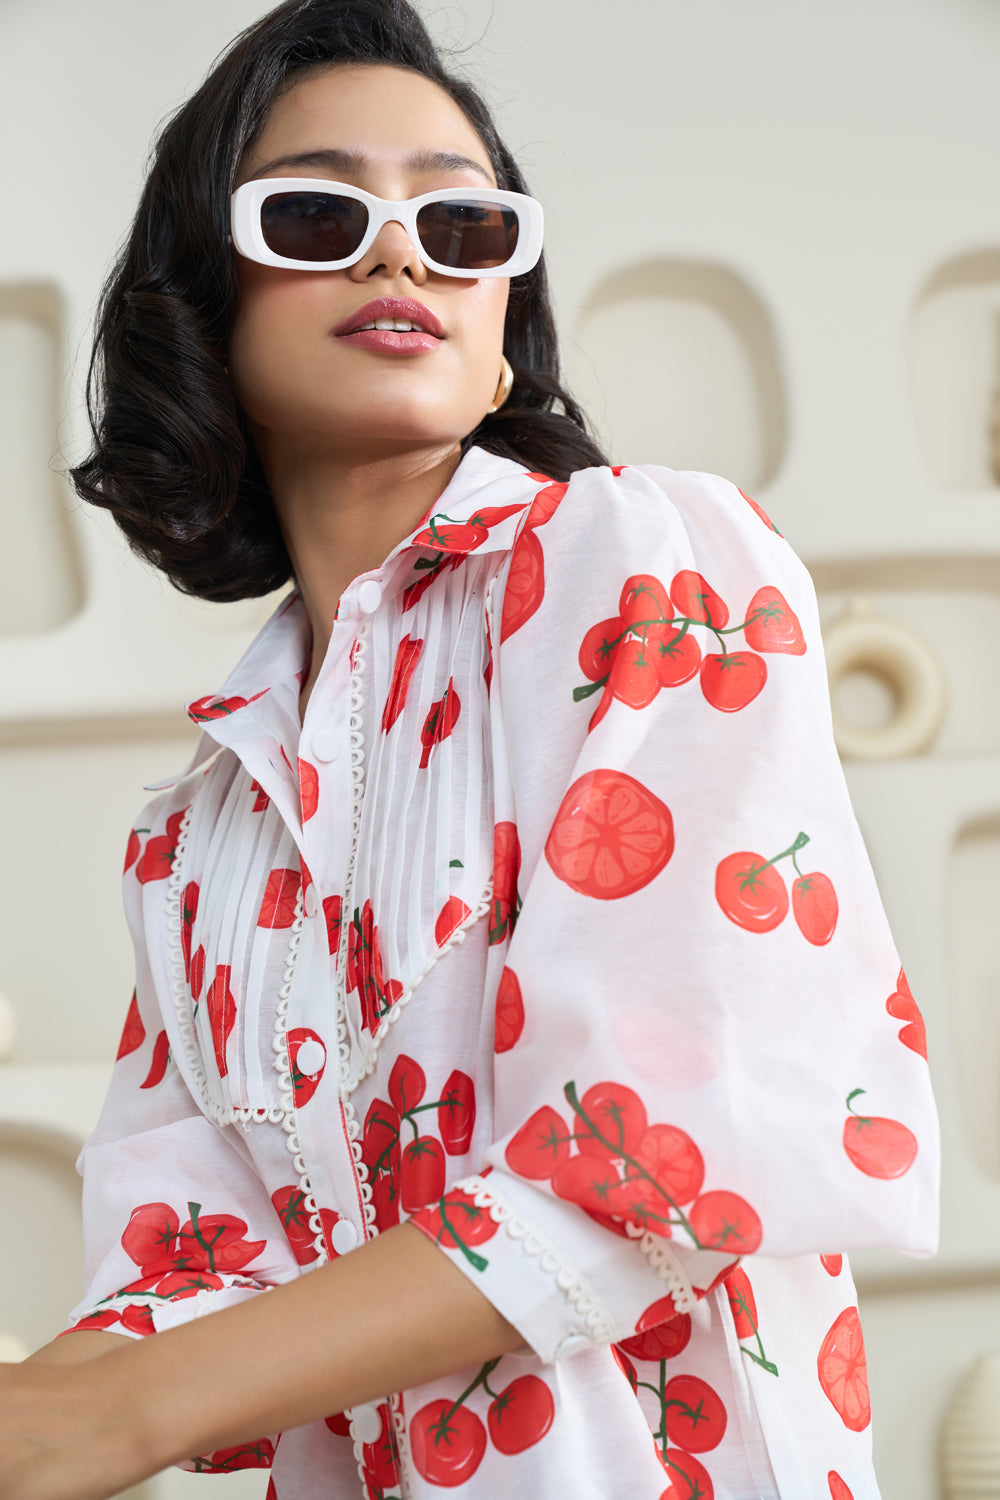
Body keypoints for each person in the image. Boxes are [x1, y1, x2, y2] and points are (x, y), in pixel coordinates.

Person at [0, 1, 940, 1496]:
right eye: (317, 214)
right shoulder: (194, 831)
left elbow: (663, 1158)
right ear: (205, 313)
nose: (403, 254)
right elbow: (184, 1276)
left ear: (504, 335)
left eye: (462, 222)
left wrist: (120, 1415)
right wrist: (79, 1396)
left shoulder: (646, 564)